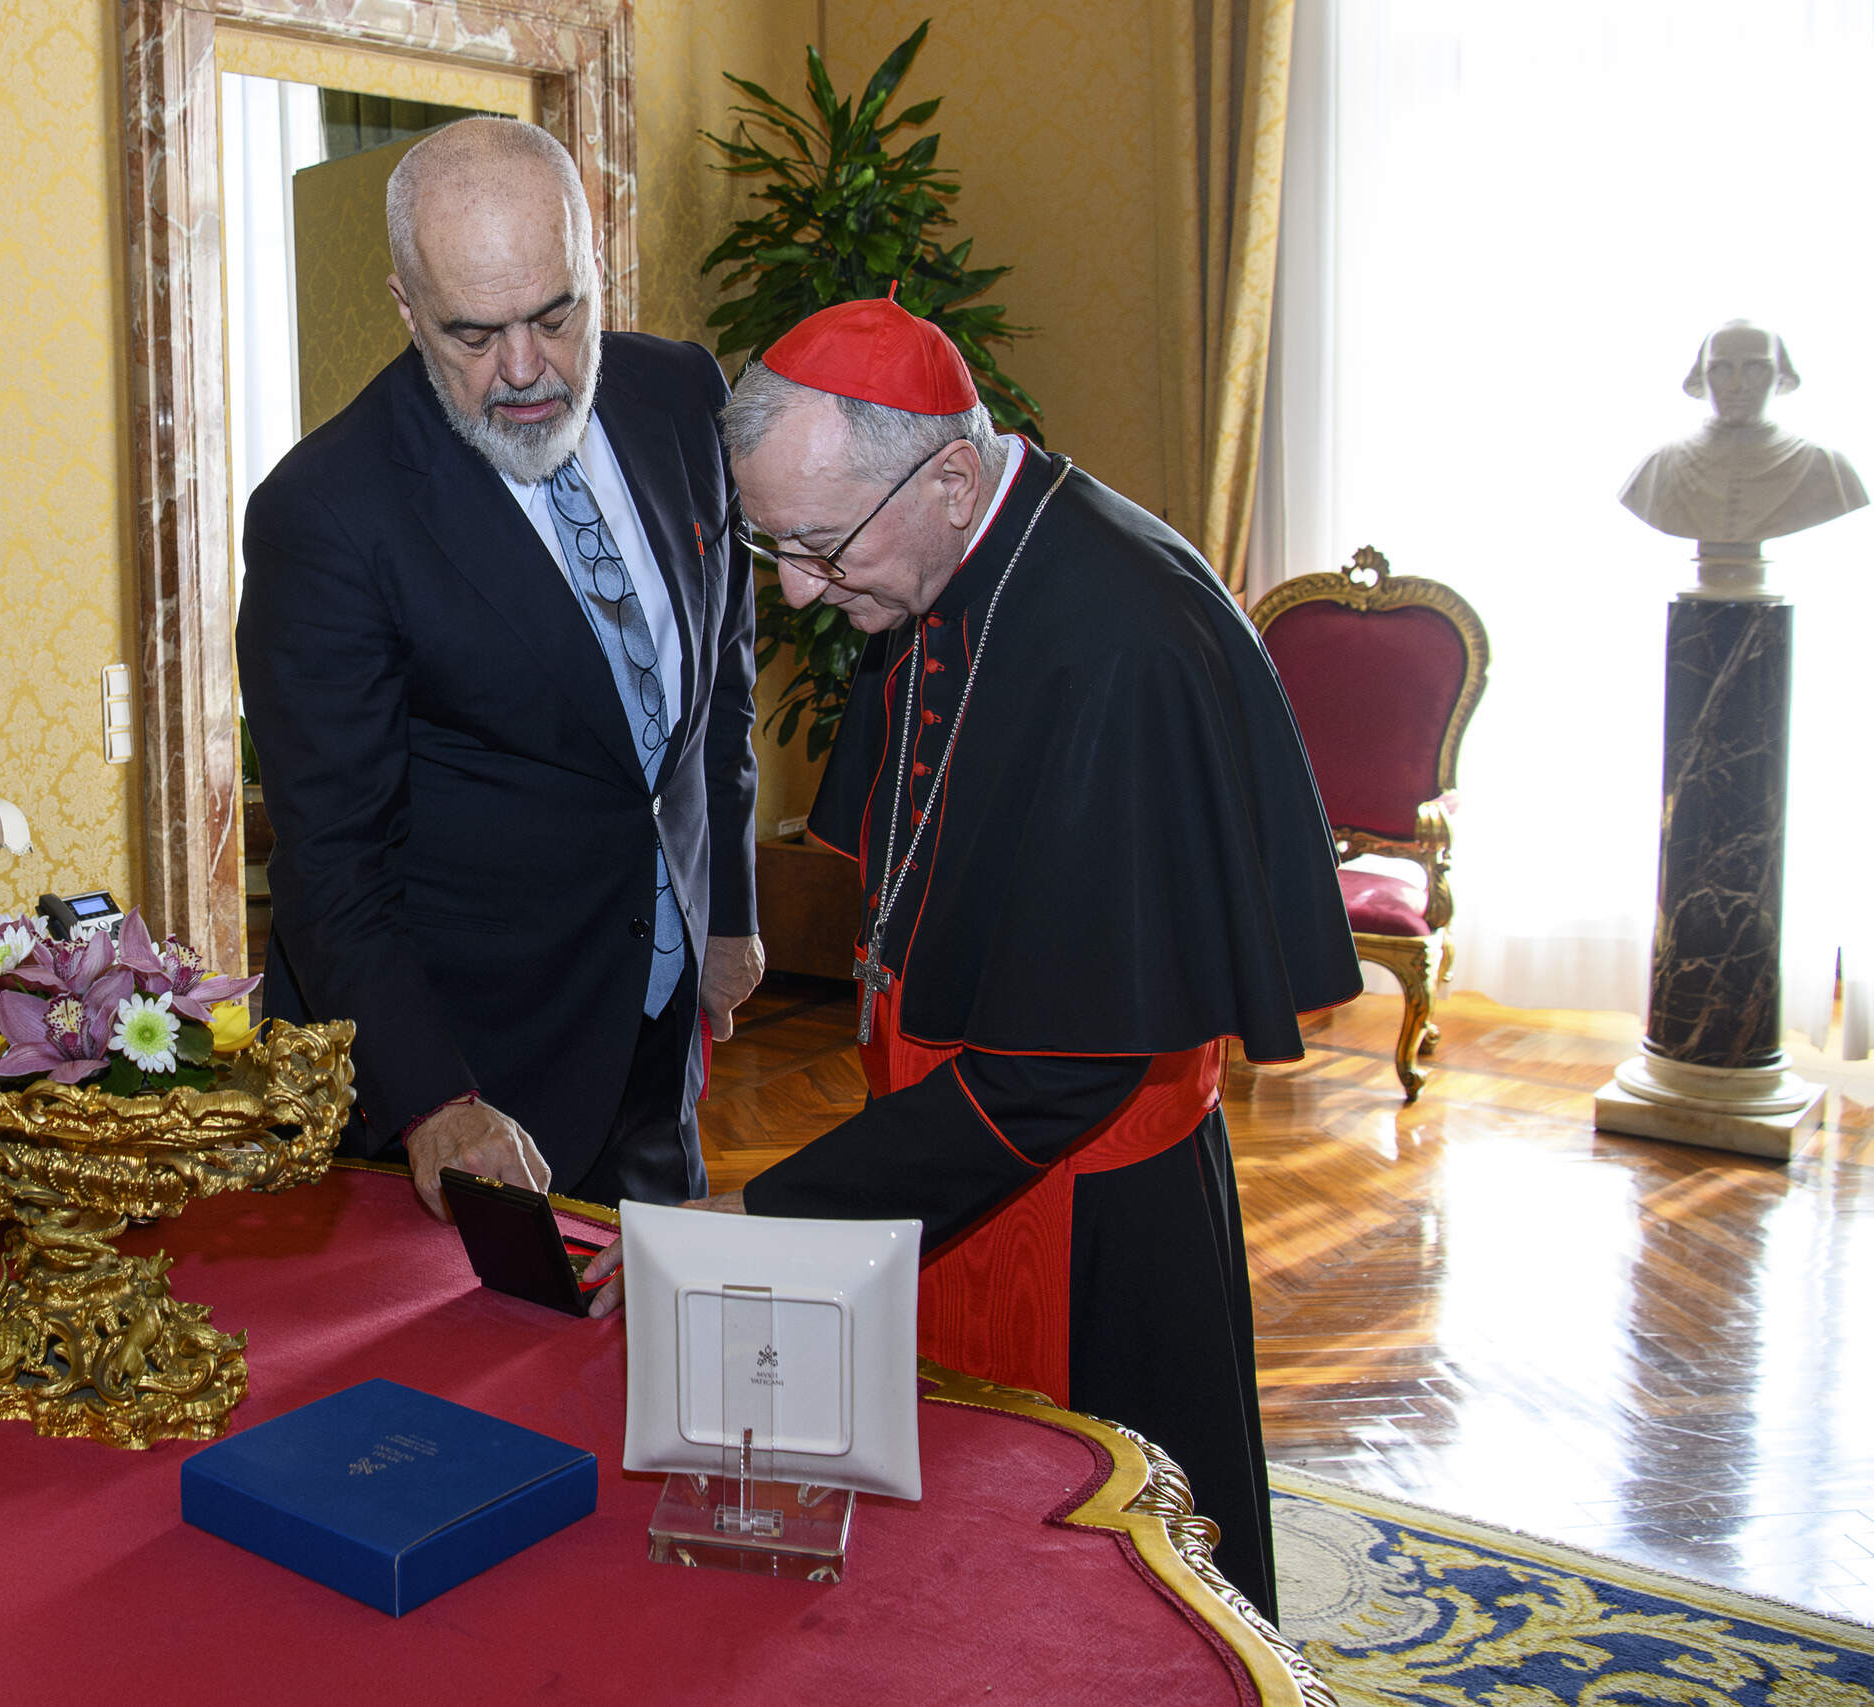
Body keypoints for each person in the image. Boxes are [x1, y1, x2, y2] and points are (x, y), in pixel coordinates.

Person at [588, 294, 1361, 1620]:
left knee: (1105, 1578)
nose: (799, 591)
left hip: (1086, 1211)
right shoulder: (942, 561)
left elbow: (1059, 1070)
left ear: (949, 478)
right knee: (950, 1573)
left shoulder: (1120, 643)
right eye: (775, 546)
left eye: (819, 547)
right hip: (949, 1149)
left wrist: (769, 1219)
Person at [235, 118, 762, 1219]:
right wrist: (435, 1098)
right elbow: (332, 866)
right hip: (472, 1072)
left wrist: (726, 909)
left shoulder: (679, 396)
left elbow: (719, 679)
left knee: (652, 1317)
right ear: (406, 306)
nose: (524, 370)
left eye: (556, 316)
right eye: (472, 335)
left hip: (658, 1030)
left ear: (594, 266)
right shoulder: (328, 513)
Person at [1619, 319, 1866, 548]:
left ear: (1780, 376)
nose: (1737, 385)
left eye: (1755, 368)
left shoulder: (1828, 468)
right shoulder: (1658, 467)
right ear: (1702, 375)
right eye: (1721, 369)